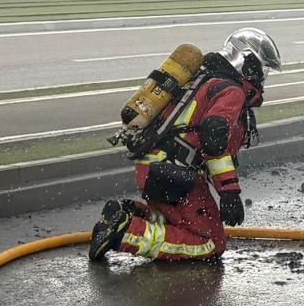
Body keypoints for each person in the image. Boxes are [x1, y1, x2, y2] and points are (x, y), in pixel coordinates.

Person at [90, 28, 281, 263]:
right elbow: (214, 139)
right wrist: (229, 193)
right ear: (248, 64)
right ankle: (125, 232)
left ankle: (128, 213)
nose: (262, 79)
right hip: (175, 172)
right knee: (209, 242)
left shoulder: (202, 78)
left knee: (179, 224)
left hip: (156, 165)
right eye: (262, 70)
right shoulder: (231, 91)